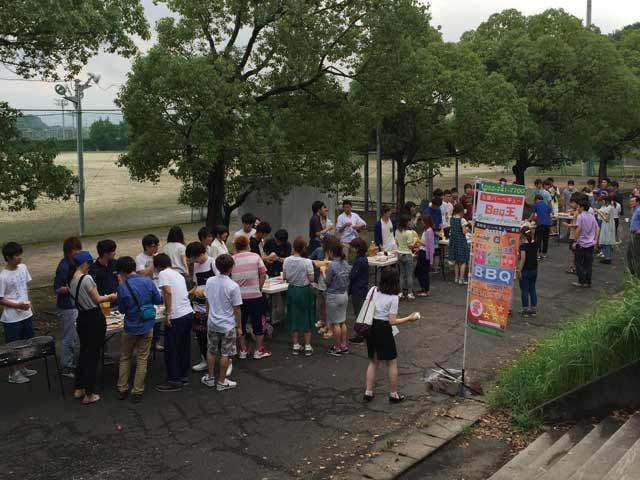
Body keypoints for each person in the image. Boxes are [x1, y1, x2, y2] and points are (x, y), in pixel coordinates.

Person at [363, 267, 419, 404]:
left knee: (373, 361)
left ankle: (368, 392)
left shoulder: (373, 290)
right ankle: (393, 394)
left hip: (370, 327)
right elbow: (392, 321)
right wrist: (409, 318)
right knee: (392, 362)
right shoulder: (394, 298)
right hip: (384, 329)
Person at [69, 251, 116, 404]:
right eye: (89, 263)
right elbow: (97, 299)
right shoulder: (86, 278)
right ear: (84, 263)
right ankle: (89, 394)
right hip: (93, 318)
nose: (90, 266)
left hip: (81, 317)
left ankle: (79, 388)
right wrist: (111, 296)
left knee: (84, 353)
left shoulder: (71, 279)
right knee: (93, 356)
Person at [115, 256, 163, 403]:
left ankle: (122, 388)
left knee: (125, 357)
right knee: (142, 358)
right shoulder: (147, 281)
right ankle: (137, 391)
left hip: (130, 327)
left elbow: (122, 310)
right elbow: (158, 300)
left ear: (122, 271)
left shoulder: (122, 287)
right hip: (147, 325)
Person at [201, 254, 242, 391]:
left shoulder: (210, 281)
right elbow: (237, 309)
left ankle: (210, 377)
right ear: (231, 267)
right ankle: (222, 381)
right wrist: (239, 326)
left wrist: (208, 316)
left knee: (211, 351)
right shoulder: (233, 286)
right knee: (226, 353)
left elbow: (207, 301)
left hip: (212, 322)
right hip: (227, 324)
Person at [153, 253, 194, 392]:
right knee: (184, 346)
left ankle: (174, 380)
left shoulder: (163, 274)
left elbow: (168, 292)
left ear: (158, 266)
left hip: (177, 316)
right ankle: (183, 376)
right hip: (188, 312)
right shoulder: (177, 274)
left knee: (171, 349)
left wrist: (168, 313)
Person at [0, 242, 37, 384]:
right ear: (8, 257)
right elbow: (1, 299)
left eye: (20, 254)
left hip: (26, 314)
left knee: (26, 342)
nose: (20, 257)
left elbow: (26, 287)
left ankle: (22, 367)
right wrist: (18, 305)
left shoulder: (23, 267)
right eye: (16, 255)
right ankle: (13, 373)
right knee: (13, 345)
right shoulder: (3, 276)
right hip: (12, 318)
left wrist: (30, 303)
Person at [232, 235, 271, 360]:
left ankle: (243, 349)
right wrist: (259, 287)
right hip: (255, 295)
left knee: (240, 323)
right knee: (257, 322)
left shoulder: (232, 259)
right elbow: (263, 274)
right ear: (247, 245)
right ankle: (258, 350)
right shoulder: (256, 256)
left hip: (238, 297)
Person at [185, 241, 218, 372]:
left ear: (201, 253)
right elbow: (196, 285)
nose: (193, 261)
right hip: (199, 306)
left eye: (194, 258)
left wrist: (205, 291)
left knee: (217, 336)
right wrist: (187, 293)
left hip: (213, 306)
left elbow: (221, 283)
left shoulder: (213, 263)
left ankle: (226, 361)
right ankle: (204, 360)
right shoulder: (196, 265)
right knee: (201, 336)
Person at [53, 236, 82, 378]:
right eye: (76, 250)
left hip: (75, 305)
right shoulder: (64, 266)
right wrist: (73, 287)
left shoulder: (74, 263)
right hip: (67, 307)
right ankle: (66, 366)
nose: (78, 252)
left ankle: (71, 362)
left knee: (74, 337)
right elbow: (58, 288)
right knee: (69, 337)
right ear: (69, 251)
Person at [283, 237, 315, 356]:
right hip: (304, 290)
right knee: (306, 315)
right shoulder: (307, 262)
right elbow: (311, 279)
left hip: (292, 289)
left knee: (293, 315)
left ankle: (295, 345)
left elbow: (284, 277)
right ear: (303, 248)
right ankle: (307, 346)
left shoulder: (287, 260)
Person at [135, 234, 162, 351]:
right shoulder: (140, 258)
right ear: (146, 247)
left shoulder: (158, 256)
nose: (156, 248)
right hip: (146, 291)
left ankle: (155, 341)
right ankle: (146, 342)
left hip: (159, 289)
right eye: (154, 246)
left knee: (159, 317)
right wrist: (152, 264)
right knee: (148, 315)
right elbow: (142, 273)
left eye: (157, 246)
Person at [325, 242, 351, 356]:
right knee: (342, 322)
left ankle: (337, 347)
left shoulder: (332, 265)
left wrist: (323, 272)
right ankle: (343, 345)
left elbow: (327, 282)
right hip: (344, 294)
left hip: (333, 296)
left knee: (335, 323)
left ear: (331, 252)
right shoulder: (345, 263)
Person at [572, 200, 599, 288]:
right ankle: (588, 282)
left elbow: (578, 229)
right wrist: (595, 240)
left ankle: (581, 281)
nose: (577, 208)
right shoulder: (592, 216)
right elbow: (597, 228)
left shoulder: (580, 216)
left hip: (581, 243)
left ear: (582, 207)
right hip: (590, 244)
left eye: (578, 206)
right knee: (588, 264)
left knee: (578, 263)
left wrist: (575, 241)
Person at [348, 238, 369, 344]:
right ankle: (363, 333)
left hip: (358, 289)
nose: (351, 249)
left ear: (357, 248)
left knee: (358, 313)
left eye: (352, 247)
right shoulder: (363, 258)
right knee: (362, 312)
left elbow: (352, 275)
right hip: (362, 288)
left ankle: (360, 334)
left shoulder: (359, 261)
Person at [394, 213, 419, 300]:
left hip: (399, 254)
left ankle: (400, 293)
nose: (410, 222)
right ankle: (409, 293)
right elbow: (410, 246)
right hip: (407, 255)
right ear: (406, 222)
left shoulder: (397, 231)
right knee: (409, 275)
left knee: (401, 275)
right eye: (409, 221)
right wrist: (415, 241)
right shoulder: (409, 232)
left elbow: (396, 242)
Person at [517, 227, 538, 317]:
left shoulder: (523, 246)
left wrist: (519, 270)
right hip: (534, 270)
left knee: (524, 290)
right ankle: (533, 309)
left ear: (522, 235)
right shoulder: (535, 244)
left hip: (525, 270)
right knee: (532, 289)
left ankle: (525, 310)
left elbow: (523, 259)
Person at [448, 204, 470, 284]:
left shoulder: (451, 219)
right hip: (461, 241)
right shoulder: (462, 220)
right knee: (463, 261)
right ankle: (461, 279)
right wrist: (468, 228)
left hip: (453, 241)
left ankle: (456, 278)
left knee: (456, 261)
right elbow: (464, 232)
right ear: (461, 210)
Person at [415, 215, 435, 297]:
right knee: (420, 272)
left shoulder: (429, 231)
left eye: (423, 221)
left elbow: (428, 244)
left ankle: (425, 290)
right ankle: (424, 289)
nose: (422, 223)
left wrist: (418, 241)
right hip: (423, 252)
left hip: (425, 253)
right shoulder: (427, 230)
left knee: (422, 272)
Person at [596, 193, 616, 264]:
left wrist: (598, 212)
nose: (601, 202)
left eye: (602, 201)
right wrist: (599, 211)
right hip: (607, 225)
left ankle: (608, 258)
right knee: (606, 241)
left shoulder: (609, 208)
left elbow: (606, 219)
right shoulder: (607, 207)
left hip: (608, 225)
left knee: (606, 241)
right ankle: (607, 257)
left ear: (604, 201)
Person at [532, 194, 552, 260]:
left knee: (538, 240)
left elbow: (533, 214)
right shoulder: (547, 205)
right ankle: (544, 254)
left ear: (537, 199)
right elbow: (549, 214)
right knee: (545, 240)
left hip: (540, 225)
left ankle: (538, 254)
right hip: (547, 225)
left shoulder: (536, 204)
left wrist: (529, 220)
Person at [627, 195, 640, 276]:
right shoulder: (633, 209)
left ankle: (637, 273)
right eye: (630, 201)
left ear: (638, 202)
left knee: (636, 254)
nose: (630, 203)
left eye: (632, 201)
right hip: (632, 233)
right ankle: (632, 271)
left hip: (636, 235)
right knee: (630, 253)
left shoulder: (639, 210)